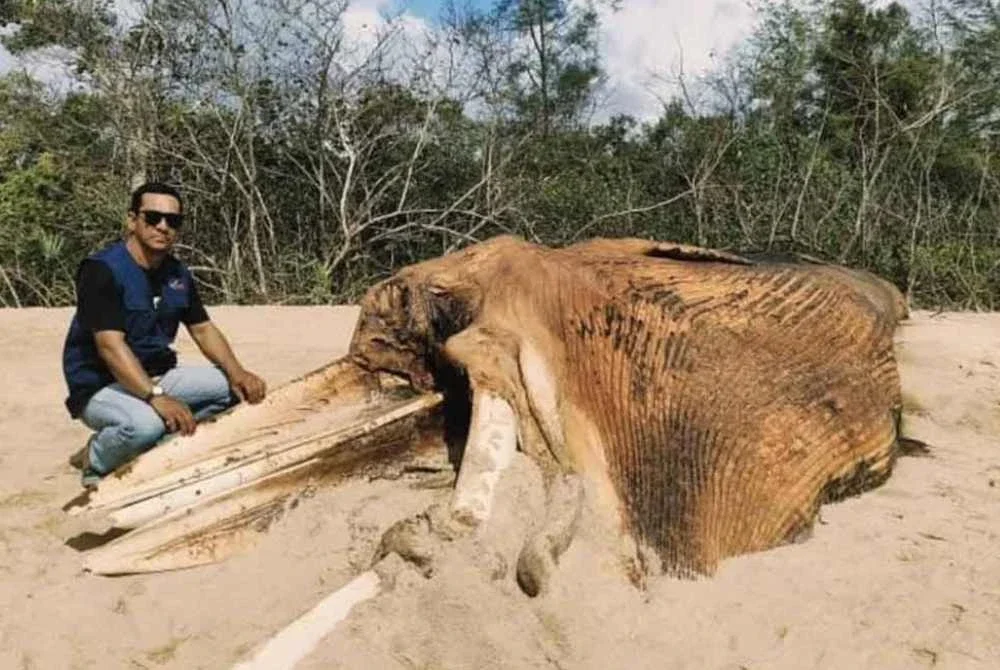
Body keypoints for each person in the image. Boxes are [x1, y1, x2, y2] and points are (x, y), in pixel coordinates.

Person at [62, 182, 267, 487]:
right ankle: (96, 457)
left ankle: (157, 446)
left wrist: (237, 372)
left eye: (173, 220)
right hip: (100, 384)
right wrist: (156, 398)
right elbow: (109, 346)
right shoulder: (102, 270)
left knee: (238, 391)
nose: (163, 226)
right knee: (143, 426)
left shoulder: (177, 274)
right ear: (133, 220)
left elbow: (202, 328)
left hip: (158, 375)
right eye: (153, 217)